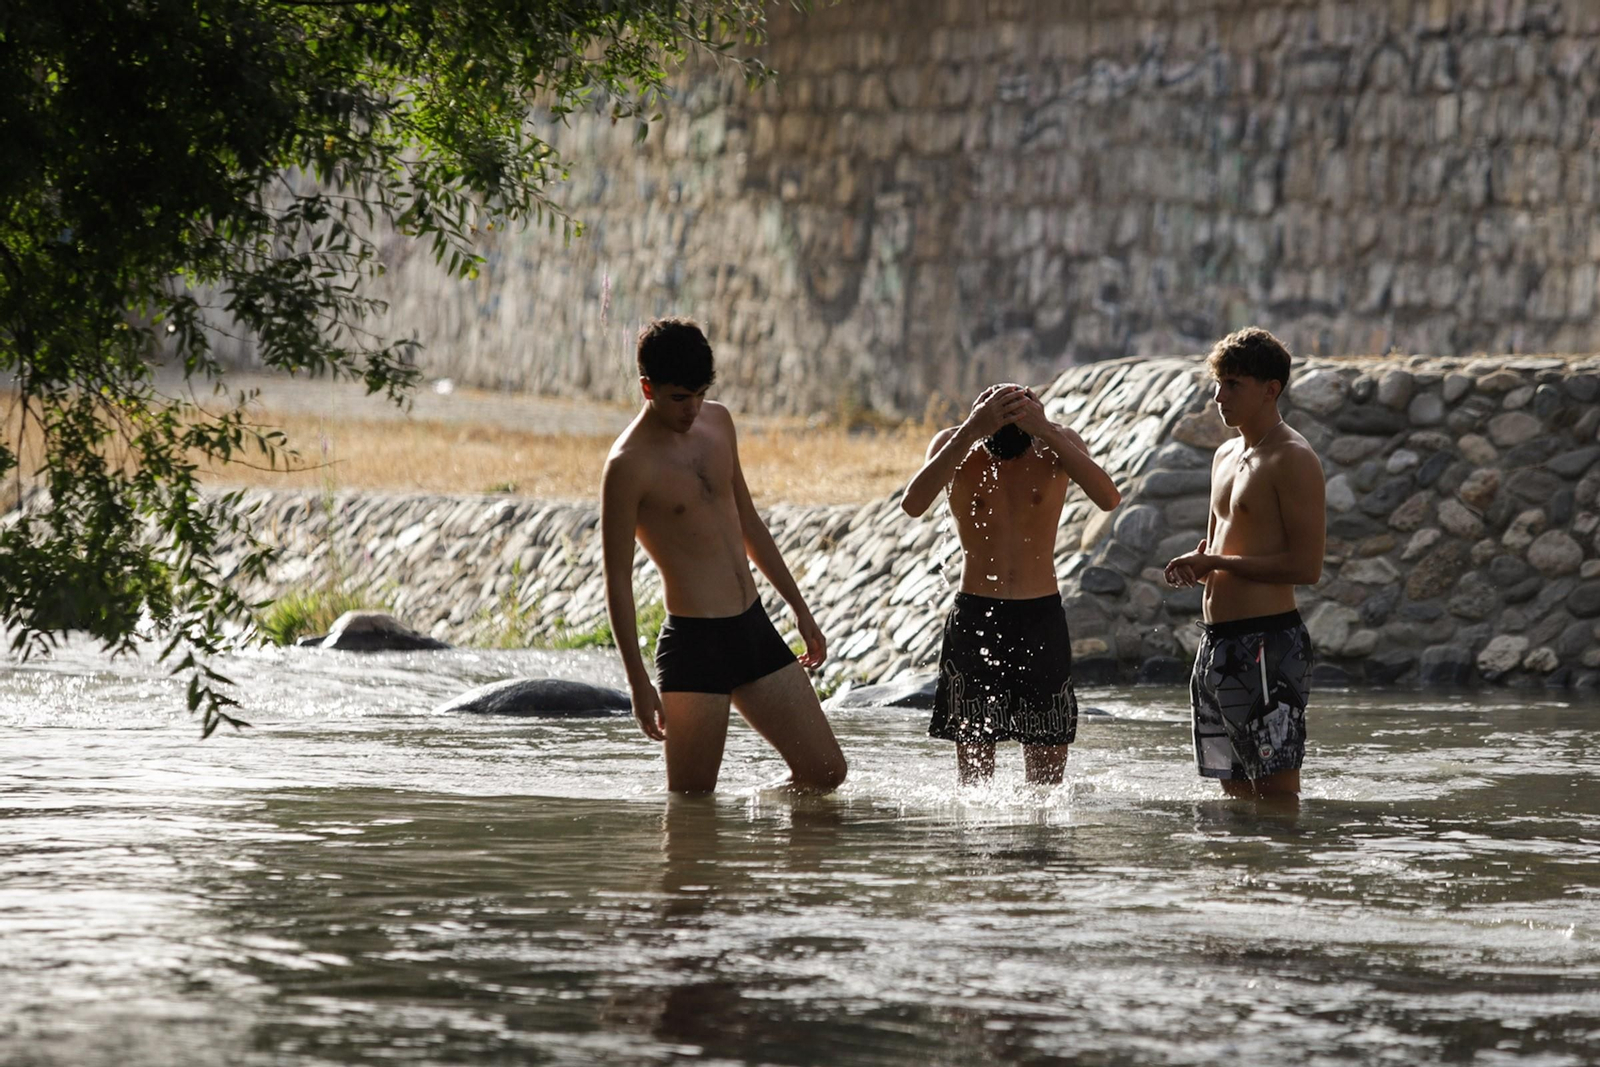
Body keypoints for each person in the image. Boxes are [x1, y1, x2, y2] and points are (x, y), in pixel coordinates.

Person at [600, 318, 847, 794]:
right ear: (647, 387)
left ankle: (750, 823)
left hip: (752, 629)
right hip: (694, 647)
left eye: (700, 393)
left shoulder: (718, 422)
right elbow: (617, 581)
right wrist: (636, 681)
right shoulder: (627, 465)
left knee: (826, 774)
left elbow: (749, 523)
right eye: (678, 397)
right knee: (692, 806)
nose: (692, 408)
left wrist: (800, 610)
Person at [902, 383, 1121, 785]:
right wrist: (970, 430)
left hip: (1040, 616)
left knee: (1046, 783)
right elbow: (913, 504)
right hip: (975, 615)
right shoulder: (956, 444)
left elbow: (1108, 499)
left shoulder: (1057, 443)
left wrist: (1047, 431)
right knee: (974, 782)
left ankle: (1042, 844)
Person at [1163, 327, 1325, 802]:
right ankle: (1237, 877)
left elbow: (1306, 566)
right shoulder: (1224, 454)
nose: (1218, 396)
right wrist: (1203, 562)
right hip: (1215, 645)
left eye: (1233, 384)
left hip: (1267, 645)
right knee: (1230, 797)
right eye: (1218, 383)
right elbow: (1224, 546)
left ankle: (1284, 878)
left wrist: (1219, 561)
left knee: (1276, 800)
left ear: (1270, 389)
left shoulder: (1293, 457)